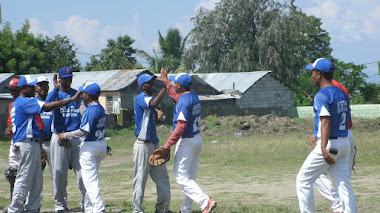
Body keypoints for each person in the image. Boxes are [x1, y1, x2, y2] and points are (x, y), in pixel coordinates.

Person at [8, 75, 81, 213]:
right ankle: (15, 209)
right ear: (23, 88)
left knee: (36, 178)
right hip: (26, 142)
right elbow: (47, 106)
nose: (34, 89)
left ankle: (33, 208)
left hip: (31, 142)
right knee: (24, 177)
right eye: (31, 86)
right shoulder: (24, 101)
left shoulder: (21, 101)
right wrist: (70, 100)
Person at [296, 58, 357, 212]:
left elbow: (325, 120)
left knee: (303, 179)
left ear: (319, 74)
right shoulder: (341, 93)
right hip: (345, 142)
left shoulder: (322, 95)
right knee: (343, 184)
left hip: (330, 143)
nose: (311, 76)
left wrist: (323, 147)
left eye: (312, 72)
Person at [157, 69, 217, 213]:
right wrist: (166, 82)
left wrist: (167, 144)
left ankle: (205, 202)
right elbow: (175, 96)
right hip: (196, 140)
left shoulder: (184, 101)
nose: (174, 84)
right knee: (189, 178)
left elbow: (181, 126)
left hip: (187, 142)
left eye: (175, 82)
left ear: (180, 86)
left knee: (181, 177)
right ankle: (185, 210)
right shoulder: (192, 97)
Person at [59, 82, 107, 213]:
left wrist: (66, 135)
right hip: (100, 144)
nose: (83, 94)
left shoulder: (92, 110)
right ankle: (89, 208)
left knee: (90, 181)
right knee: (89, 180)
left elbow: (83, 131)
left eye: (84, 93)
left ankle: (99, 209)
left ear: (88, 95)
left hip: (90, 147)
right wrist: (80, 99)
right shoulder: (100, 108)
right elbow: (84, 112)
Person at [310, 79, 356, 212]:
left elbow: (327, 118)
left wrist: (317, 133)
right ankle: (345, 208)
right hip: (346, 134)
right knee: (343, 182)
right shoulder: (339, 86)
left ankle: (337, 204)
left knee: (315, 174)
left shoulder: (329, 88)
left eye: (315, 71)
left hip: (334, 136)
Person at [45, 67, 86, 212]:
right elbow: (46, 107)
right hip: (59, 136)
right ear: (59, 79)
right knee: (59, 173)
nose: (68, 80)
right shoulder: (56, 94)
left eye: (70, 77)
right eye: (65, 78)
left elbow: (85, 113)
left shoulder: (77, 94)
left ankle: (86, 202)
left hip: (75, 136)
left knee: (82, 172)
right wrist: (55, 89)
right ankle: (60, 204)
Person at [133, 74, 171, 213]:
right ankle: (137, 210)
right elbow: (153, 104)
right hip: (142, 145)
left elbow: (154, 114)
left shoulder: (150, 100)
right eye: (149, 83)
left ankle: (162, 209)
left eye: (153, 82)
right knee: (140, 179)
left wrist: (159, 116)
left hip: (154, 144)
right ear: (143, 86)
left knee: (163, 179)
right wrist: (165, 87)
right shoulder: (141, 98)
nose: (152, 84)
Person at [35, 76, 54, 174]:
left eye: (45, 85)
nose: (43, 87)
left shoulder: (53, 101)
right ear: (35, 87)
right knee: (37, 173)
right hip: (37, 142)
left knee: (56, 172)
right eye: (40, 85)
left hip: (51, 141)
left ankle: (57, 190)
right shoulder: (33, 102)